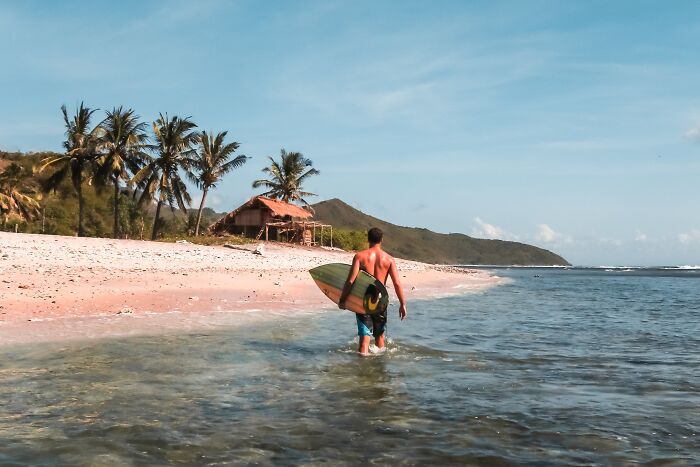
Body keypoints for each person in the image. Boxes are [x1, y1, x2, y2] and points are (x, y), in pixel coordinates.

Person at [338, 227, 407, 355]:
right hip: (380, 300)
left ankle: (363, 367)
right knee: (380, 336)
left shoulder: (360, 256)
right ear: (382, 240)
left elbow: (350, 281)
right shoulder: (389, 259)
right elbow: (397, 283)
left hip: (364, 299)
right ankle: (379, 367)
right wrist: (402, 304)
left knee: (364, 338)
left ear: (368, 239)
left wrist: (343, 299)